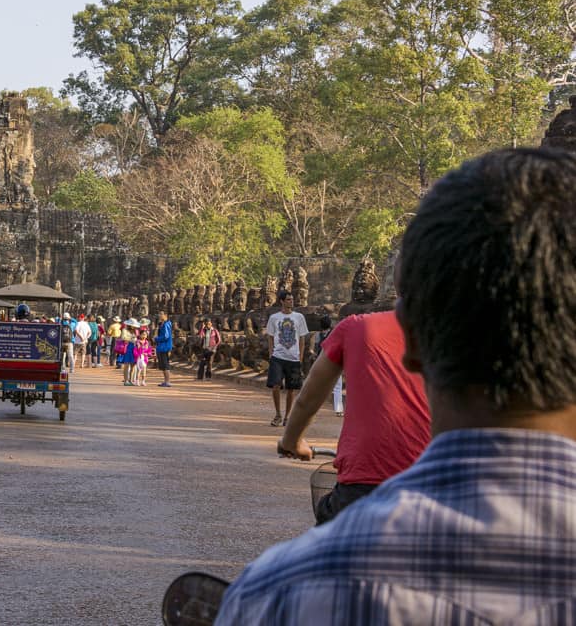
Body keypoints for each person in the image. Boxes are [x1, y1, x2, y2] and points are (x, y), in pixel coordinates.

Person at [215, 148, 576, 625]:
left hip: (362, 485)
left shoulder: (280, 592)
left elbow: (309, 395)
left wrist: (291, 438)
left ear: (413, 339)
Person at [279, 309, 430, 524]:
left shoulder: (356, 327)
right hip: (439, 485)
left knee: (320, 549)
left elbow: (307, 400)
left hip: (362, 485)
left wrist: (291, 442)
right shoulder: (464, 333)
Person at [265, 290, 308, 426]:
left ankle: (287, 416)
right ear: (282, 301)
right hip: (278, 357)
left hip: (294, 358)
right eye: (288, 299)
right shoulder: (274, 318)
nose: (291, 301)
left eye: (292, 299)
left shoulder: (299, 317)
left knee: (291, 389)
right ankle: (278, 414)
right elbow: (270, 337)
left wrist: (300, 357)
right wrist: (271, 354)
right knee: (276, 386)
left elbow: (302, 339)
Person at [315, 313, 343, 415]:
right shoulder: (334, 333)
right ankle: (338, 409)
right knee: (337, 387)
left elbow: (316, 348)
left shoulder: (318, 335)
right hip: (335, 362)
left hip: (322, 362)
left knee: (319, 386)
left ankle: (313, 407)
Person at [153, 311, 173, 387]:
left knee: (165, 364)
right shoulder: (162, 324)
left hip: (165, 346)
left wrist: (156, 339)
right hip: (161, 346)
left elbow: (166, 336)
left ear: (165, 315)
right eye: (159, 314)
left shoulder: (166, 324)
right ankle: (165, 381)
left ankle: (167, 381)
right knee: (163, 365)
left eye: (161, 314)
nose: (159, 316)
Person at [119, 319, 139, 386]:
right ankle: (126, 380)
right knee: (126, 365)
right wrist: (131, 339)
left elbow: (137, 338)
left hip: (134, 349)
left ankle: (131, 380)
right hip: (127, 348)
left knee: (133, 365)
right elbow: (123, 338)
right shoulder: (124, 330)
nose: (134, 326)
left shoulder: (135, 331)